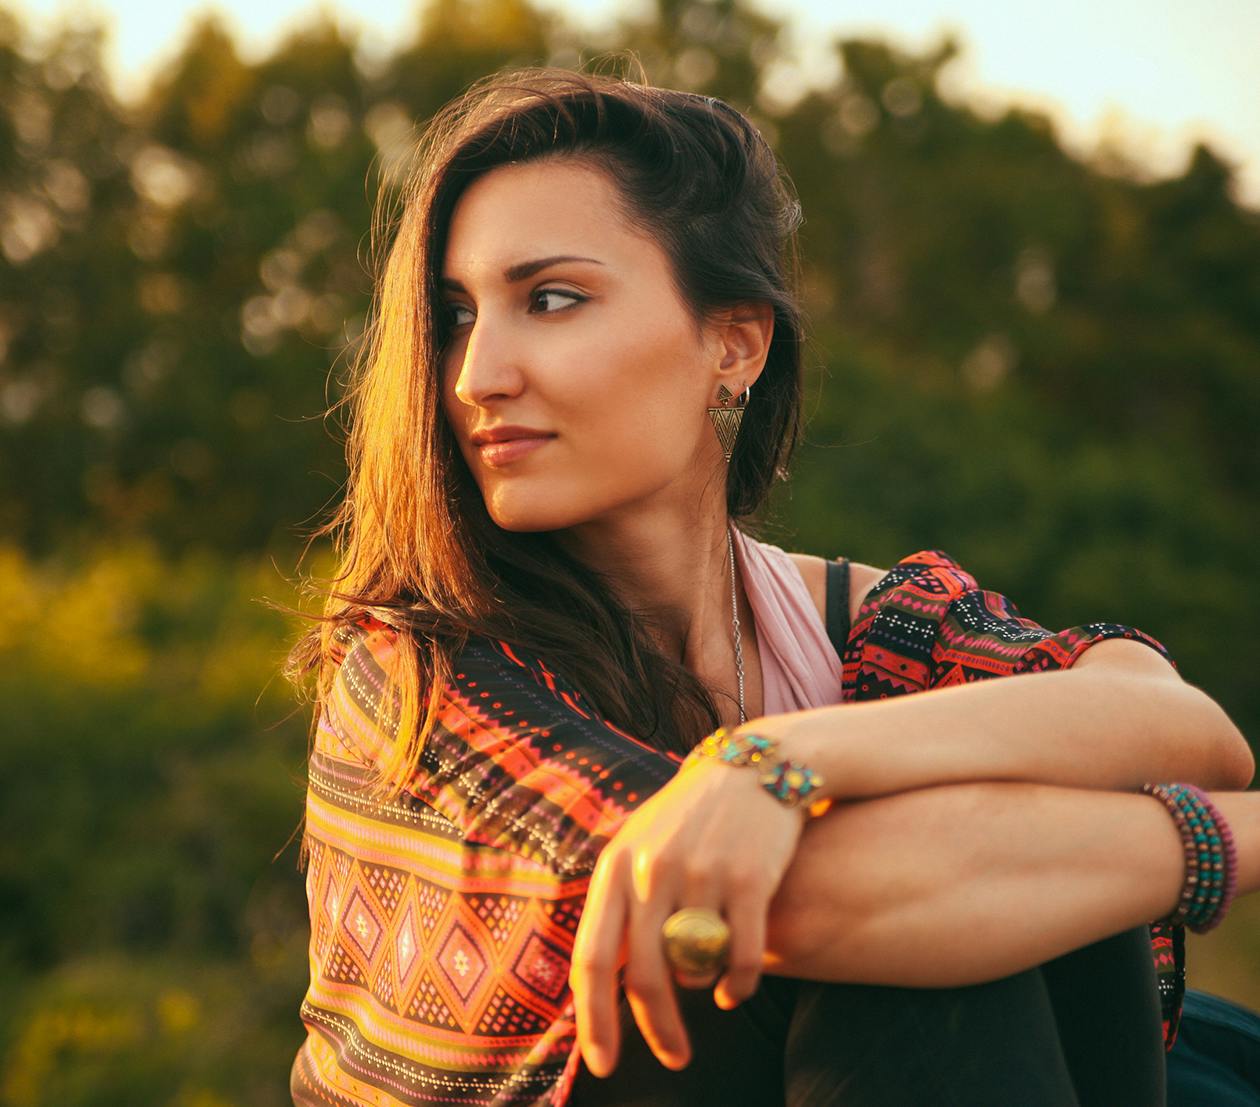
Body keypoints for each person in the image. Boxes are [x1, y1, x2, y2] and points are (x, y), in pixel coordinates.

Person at [284, 64, 1258, 1106]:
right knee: (930, 941)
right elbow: (811, 907)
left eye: (551, 299)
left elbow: (1183, 727)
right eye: (456, 316)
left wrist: (783, 760)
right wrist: (1225, 838)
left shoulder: (859, 625)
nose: (478, 375)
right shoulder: (413, 670)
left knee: (1002, 888)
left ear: (735, 345)